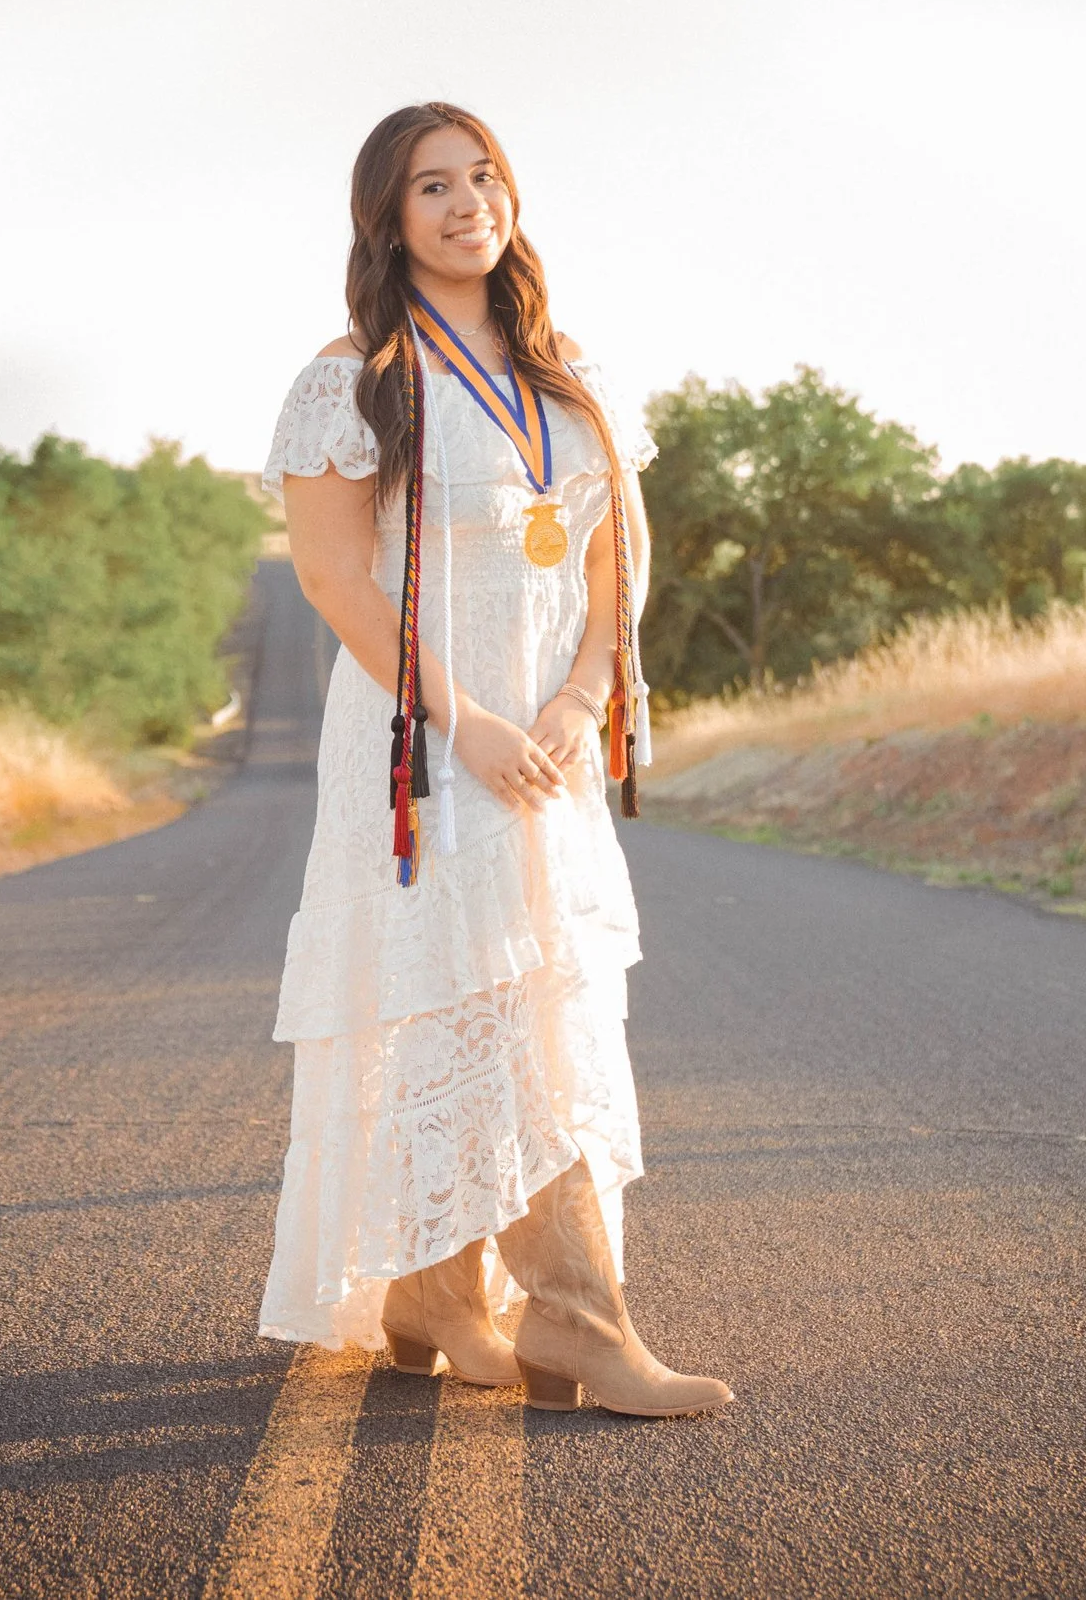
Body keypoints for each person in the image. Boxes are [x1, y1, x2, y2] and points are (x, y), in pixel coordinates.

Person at [256, 101, 731, 1418]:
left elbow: (606, 555)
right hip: (425, 743)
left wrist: (587, 693)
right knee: (457, 1010)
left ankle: (432, 1295)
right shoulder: (350, 374)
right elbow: (335, 576)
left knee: (542, 1004)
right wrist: (462, 718)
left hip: (549, 747)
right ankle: (575, 1321)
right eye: (433, 186)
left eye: (485, 177)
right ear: (388, 218)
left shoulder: (564, 371)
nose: (470, 203)